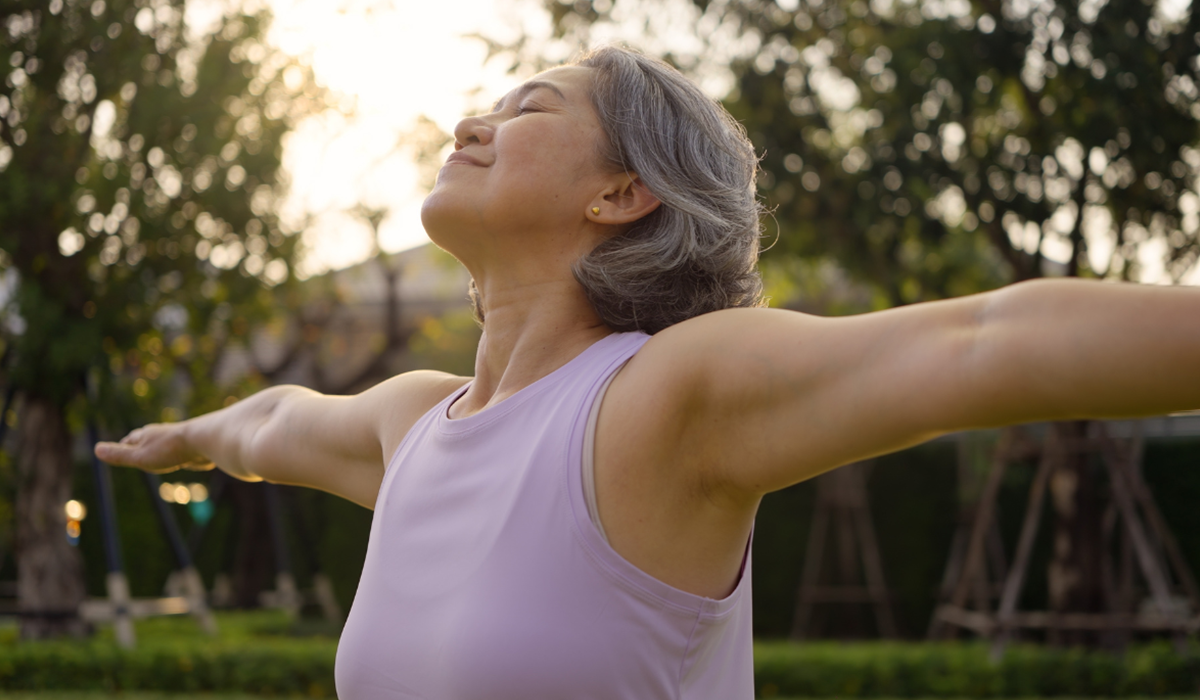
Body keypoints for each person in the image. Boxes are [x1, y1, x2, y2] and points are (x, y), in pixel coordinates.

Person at [96, 45, 1200, 699]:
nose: (472, 121)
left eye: (528, 106)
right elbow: (278, 419)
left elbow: (980, 343)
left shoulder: (663, 399)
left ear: (621, 194)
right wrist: (186, 438)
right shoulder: (414, 423)